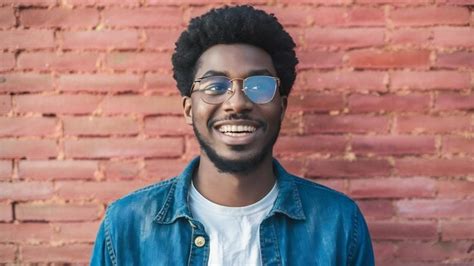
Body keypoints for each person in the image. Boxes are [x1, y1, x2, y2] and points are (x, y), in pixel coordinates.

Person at [90, 5, 374, 265]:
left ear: (282, 106)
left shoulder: (339, 224)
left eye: (259, 86)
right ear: (189, 109)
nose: (237, 103)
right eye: (215, 86)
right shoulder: (126, 227)